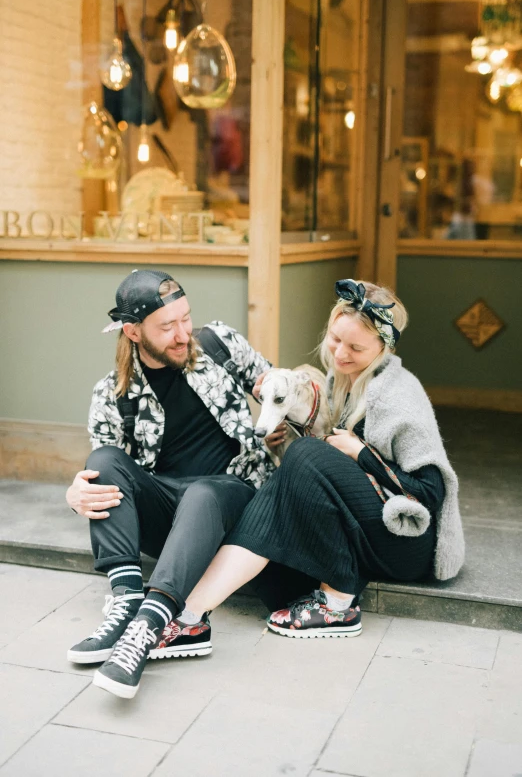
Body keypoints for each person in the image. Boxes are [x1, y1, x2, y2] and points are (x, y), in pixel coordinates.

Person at [180, 279, 465, 644]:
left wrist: (361, 453)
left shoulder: (398, 395)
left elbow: (431, 493)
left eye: (355, 347)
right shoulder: (341, 379)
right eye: (335, 338)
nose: (340, 353)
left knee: (305, 455)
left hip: (409, 542)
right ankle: (190, 613)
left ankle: (337, 604)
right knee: (275, 575)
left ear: (384, 348)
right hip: (372, 525)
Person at [65, 269, 276, 697]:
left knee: (201, 492)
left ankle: (147, 628)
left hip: (231, 499)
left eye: (185, 318)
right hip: (171, 519)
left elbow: (275, 385)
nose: (183, 334)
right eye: (167, 326)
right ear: (134, 331)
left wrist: (286, 419)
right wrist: (77, 493)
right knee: (103, 460)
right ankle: (126, 600)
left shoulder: (219, 345)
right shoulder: (112, 395)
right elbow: (104, 473)